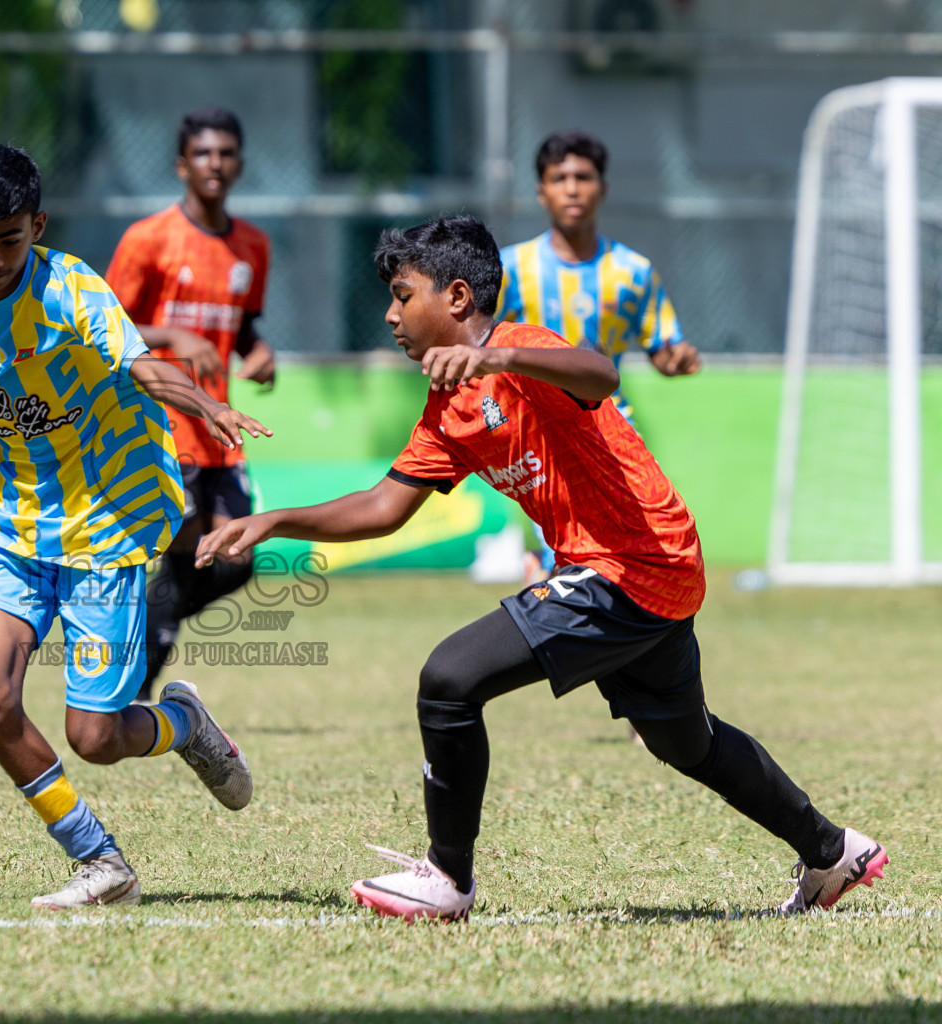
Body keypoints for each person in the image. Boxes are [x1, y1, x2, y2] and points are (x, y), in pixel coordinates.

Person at [196, 215, 887, 922]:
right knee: (689, 742)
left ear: (457, 297)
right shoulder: (448, 406)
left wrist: (499, 361)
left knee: (449, 680)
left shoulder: (518, 347)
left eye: (403, 295)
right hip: (651, 571)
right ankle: (831, 851)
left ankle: (446, 878)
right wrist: (274, 520)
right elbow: (382, 506)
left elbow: (601, 372)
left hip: (631, 562)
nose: (390, 313)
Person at [0, 145, 268, 909]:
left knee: (95, 738)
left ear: (38, 223)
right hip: (13, 533)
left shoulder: (72, 290)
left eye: (10, 238)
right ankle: (100, 861)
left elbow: (141, 366)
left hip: (106, 530)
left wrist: (207, 404)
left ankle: (182, 723)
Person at [104, 106, 276, 701]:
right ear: (182, 164)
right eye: (204, 153)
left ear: (240, 164)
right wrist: (174, 338)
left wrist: (258, 354)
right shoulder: (148, 240)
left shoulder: (252, 247)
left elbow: (245, 328)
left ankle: (132, 666)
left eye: (226, 153)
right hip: (161, 425)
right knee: (183, 561)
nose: (216, 164)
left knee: (234, 560)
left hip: (219, 429)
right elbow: (104, 330)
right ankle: (127, 692)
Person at [496, 130, 701, 580]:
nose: (572, 188)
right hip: (539, 434)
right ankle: (541, 576)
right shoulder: (512, 269)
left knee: (626, 558)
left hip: (613, 432)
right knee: (570, 559)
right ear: (541, 191)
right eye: (559, 177)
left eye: (583, 177)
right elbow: (484, 344)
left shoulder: (632, 271)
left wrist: (677, 359)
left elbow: (662, 349)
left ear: (601, 189)